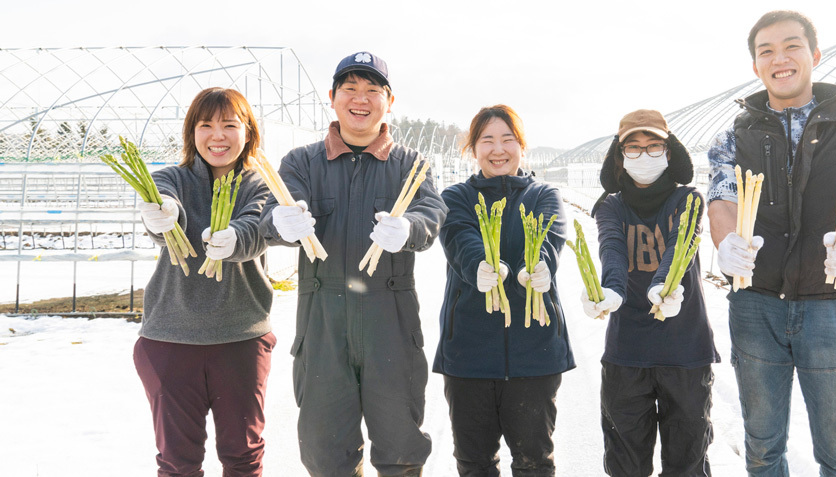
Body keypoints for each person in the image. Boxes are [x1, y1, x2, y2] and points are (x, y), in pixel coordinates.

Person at [706, 10, 836, 476]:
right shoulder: (734, 133)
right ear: (755, 66)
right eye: (765, 51)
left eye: (791, 46)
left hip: (832, 306)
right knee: (762, 447)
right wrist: (726, 243)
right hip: (756, 305)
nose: (779, 58)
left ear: (814, 53)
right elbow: (722, 198)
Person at [259, 51, 446, 477]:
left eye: (372, 89)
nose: (360, 99)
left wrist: (410, 228)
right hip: (323, 320)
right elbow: (271, 214)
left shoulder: (410, 165)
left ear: (389, 101)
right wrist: (281, 222)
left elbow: (431, 214)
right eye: (350, 88)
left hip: (391, 321)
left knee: (400, 447)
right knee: (326, 454)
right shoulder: (302, 162)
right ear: (333, 96)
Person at [132, 86, 275, 476]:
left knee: (243, 458)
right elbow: (162, 206)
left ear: (248, 132)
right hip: (171, 340)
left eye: (230, 124)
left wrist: (233, 239)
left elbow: (255, 227)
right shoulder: (171, 179)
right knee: (178, 462)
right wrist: (162, 215)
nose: (217, 135)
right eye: (206, 124)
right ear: (191, 133)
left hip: (240, 339)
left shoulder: (260, 185)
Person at [433, 104, 574, 477]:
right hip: (468, 355)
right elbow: (460, 237)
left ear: (522, 146)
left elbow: (550, 239)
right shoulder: (456, 197)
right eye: (487, 140)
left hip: (535, 355)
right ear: (473, 149)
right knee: (474, 463)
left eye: (507, 140)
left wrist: (536, 268)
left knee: (534, 463)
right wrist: (481, 265)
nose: (498, 149)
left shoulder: (544, 194)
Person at [583, 109, 720, 476]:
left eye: (653, 146)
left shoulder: (688, 200)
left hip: (685, 352)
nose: (644, 155)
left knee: (687, 464)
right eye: (634, 148)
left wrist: (664, 284)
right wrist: (610, 290)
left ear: (669, 152)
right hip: (627, 353)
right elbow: (611, 248)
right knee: (625, 464)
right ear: (620, 156)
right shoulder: (610, 206)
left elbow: (681, 243)